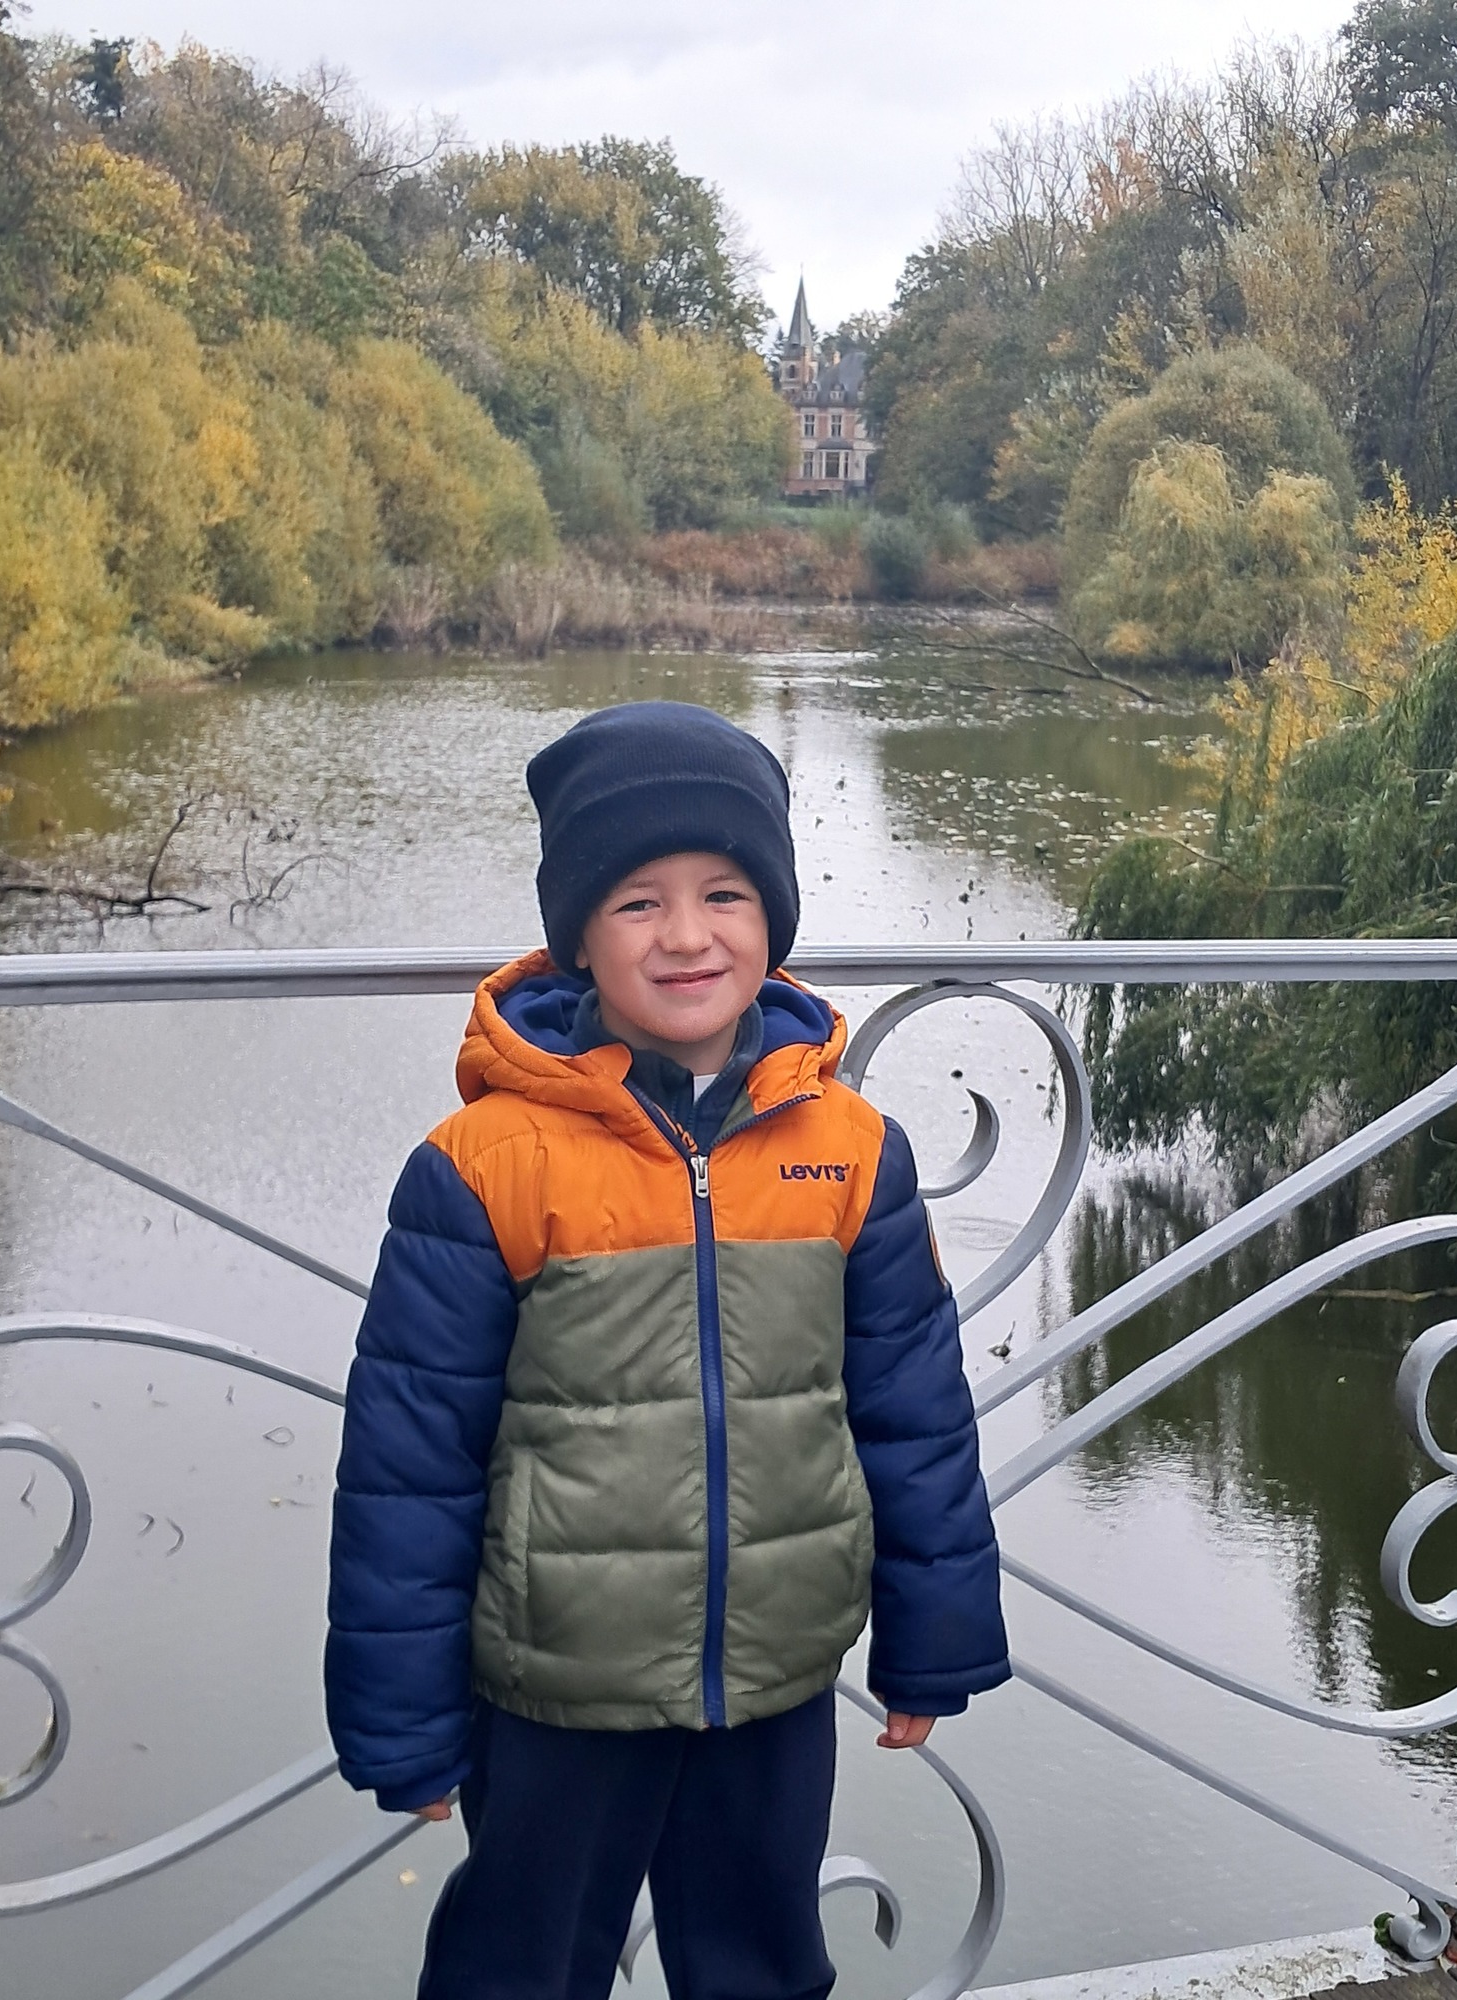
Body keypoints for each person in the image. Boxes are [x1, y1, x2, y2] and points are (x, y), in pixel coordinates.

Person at [325, 700, 1009, 2000]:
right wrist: (400, 1714)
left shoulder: (852, 1153)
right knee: (518, 1968)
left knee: (763, 1962)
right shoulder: (487, 1165)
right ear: (578, 934)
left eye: (724, 895)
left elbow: (914, 1412)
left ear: (773, 917)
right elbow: (409, 1465)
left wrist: (937, 1634)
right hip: (556, 1681)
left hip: (775, 1672)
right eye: (638, 901)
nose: (687, 936)